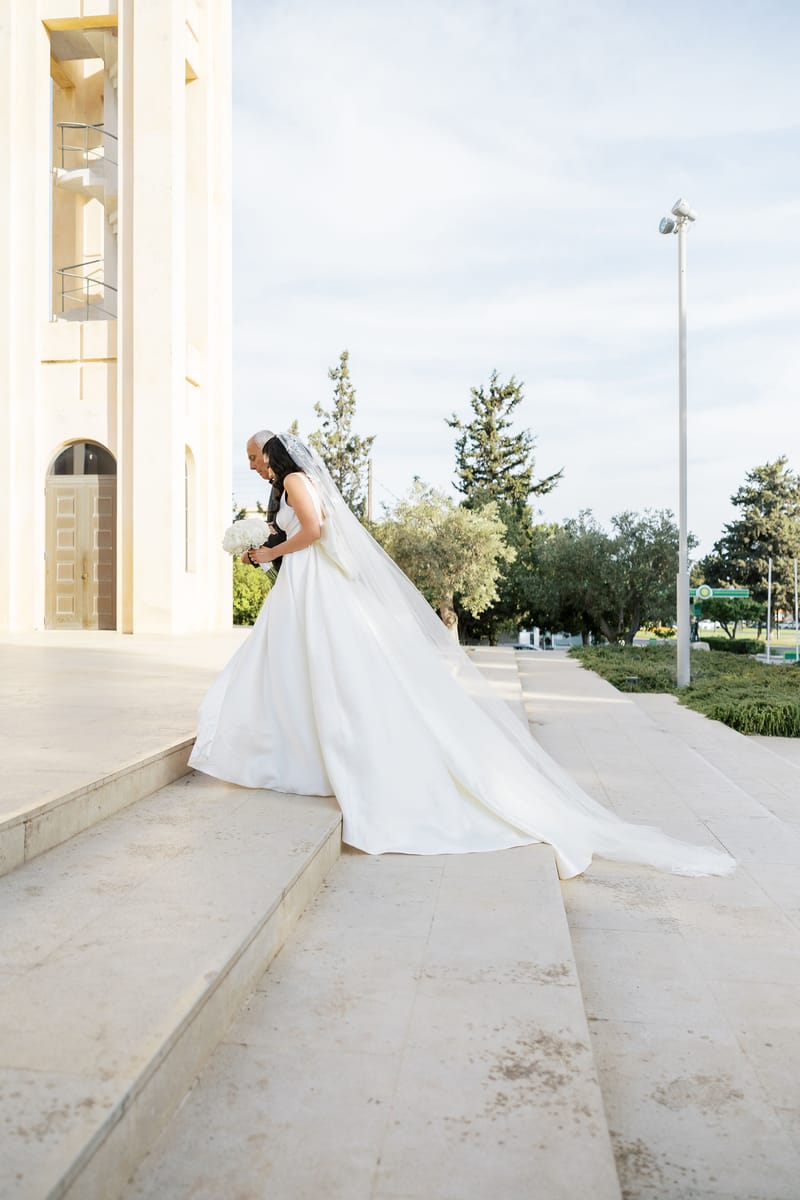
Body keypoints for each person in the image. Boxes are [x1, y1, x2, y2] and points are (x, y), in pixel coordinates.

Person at [190, 433, 735, 881]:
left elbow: (315, 530)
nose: (253, 467)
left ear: (273, 454)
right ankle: (287, 751)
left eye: (254, 458)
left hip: (316, 588)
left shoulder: (294, 480)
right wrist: (263, 546)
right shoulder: (286, 485)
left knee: (317, 670)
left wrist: (270, 550)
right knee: (287, 668)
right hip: (304, 588)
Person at [244, 429, 287, 573]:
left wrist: (253, 555)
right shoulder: (278, 483)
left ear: (267, 452)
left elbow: (285, 531)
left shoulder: (291, 483)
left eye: (253, 457)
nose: (251, 467)